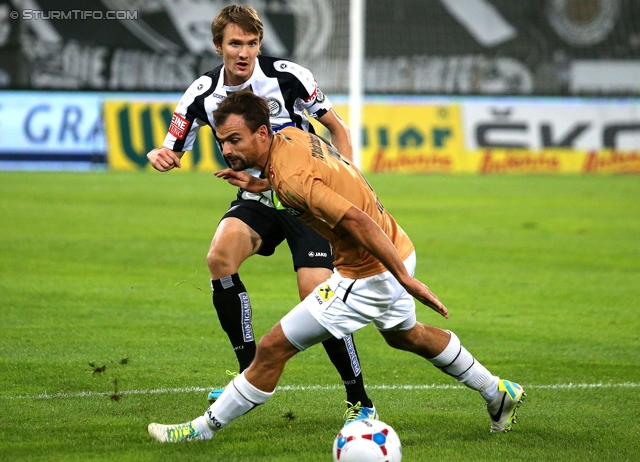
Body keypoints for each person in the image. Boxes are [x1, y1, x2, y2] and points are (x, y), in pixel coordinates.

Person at [147, 91, 526, 443]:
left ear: (262, 133)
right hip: (398, 243)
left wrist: (404, 279)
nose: (226, 149)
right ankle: (497, 391)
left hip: (368, 270)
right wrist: (260, 184)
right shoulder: (292, 136)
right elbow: (321, 177)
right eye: (222, 141)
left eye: (235, 140)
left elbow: (357, 221)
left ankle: (200, 429)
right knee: (405, 335)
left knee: (272, 348)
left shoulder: (294, 179)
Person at [146, 5, 376, 422]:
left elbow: (337, 129)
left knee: (316, 294)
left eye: (252, 43)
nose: (244, 52)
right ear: (218, 46)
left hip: (305, 196)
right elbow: (172, 146)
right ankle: (249, 376)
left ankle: (359, 400)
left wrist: (346, 180)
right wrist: (161, 154)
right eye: (235, 43)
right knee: (220, 257)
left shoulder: (289, 76)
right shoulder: (201, 92)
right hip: (256, 195)